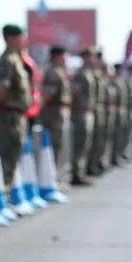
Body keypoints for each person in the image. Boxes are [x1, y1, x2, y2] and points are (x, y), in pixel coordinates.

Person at [0, 25, 32, 195]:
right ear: (9, 38)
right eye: (19, 37)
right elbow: (1, 89)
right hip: (8, 117)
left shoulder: (16, 59)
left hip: (17, 116)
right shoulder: (7, 60)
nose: (22, 41)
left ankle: (7, 193)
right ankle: (4, 195)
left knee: (13, 156)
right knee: (6, 157)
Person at [39, 46, 72, 179]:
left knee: (58, 145)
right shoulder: (52, 72)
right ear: (57, 56)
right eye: (64, 56)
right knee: (53, 146)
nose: (65, 59)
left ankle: (54, 176)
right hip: (53, 113)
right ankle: (49, 178)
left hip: (58, 112)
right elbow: (47, 95)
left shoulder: (59, 71)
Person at [70, 47, 96, 185]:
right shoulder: (81, 74)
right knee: (80, 144)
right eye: (90, 56)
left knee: (86, 144)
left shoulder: (89, 73)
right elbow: (74, 92)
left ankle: (81, 172)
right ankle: (77, 174)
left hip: (87, 111)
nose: (93, 59)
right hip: (80, 112)